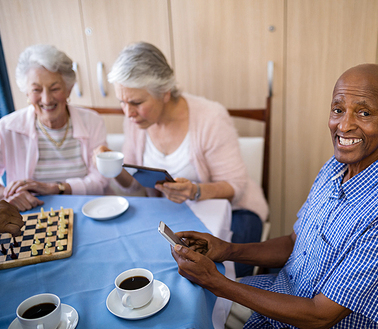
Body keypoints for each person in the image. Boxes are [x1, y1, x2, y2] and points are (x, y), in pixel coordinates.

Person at [170, 64, 378, 329]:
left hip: (306, 324)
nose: (343, 125)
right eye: (338, 110)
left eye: (364, 113)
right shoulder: (337, 167)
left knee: (187, 311)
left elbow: (320, 316)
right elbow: (296, 244)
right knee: (183, 300)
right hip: (285, 295)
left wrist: (216, 281)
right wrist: (226, 250)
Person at [96, 42, 268, 277]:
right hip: (173, 216)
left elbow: (235, 188)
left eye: (136, 102)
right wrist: (112, 165)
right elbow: (132, 184)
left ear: (165, 92)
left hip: (235, 211)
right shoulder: (137, 121)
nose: (128, 112)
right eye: (122, 102)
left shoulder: (210, 118)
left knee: (213, 275)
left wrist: (195, 191)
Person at [0, 44, 108, 212]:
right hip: (33, 217)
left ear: (68, 89)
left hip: (89, 210)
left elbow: (100, 182)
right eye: (36, 90)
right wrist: (6, 193)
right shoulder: (6, 129)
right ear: (26, 93)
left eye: (55, 89)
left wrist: (56, 188)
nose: (46, 99)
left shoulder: (92, 121)